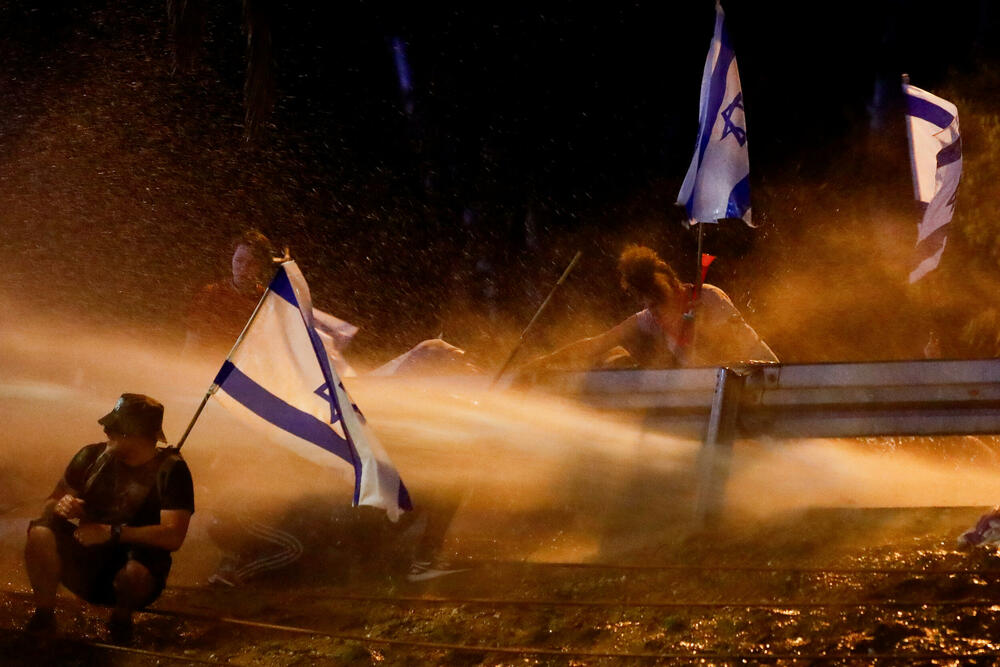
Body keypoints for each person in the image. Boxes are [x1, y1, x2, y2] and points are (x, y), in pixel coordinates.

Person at [24, 394, 194, 642]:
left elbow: (173, 535)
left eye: (116, 428)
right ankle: (43, 615)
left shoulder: (171, 471)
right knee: (40, 533)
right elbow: (50, 503)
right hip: (88, 560)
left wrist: (112, 532)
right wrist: (64, 507)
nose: (106, 431)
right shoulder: (90, 457)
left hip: (135, 566)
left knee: (135, 573)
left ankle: (121, 621)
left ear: (137, 434)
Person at [519, 244, 777, 374]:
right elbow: (598, 343)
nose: (651, 311)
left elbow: (731, 352)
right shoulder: (652, 318)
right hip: (714, 396)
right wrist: (542, 362)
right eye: (646, 304)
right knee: (615, 360)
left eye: (656, 302)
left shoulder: (708, 298)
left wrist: (704, 328)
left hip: (763, 377)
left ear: (675, 287)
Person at [183, 229, 278, 355]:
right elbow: (191, 343)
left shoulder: (267, 302)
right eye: (239, 261)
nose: (243, 268)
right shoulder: (210, 294)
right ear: (232, 258)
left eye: (252, 263)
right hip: (207, 367)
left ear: (261, 266)